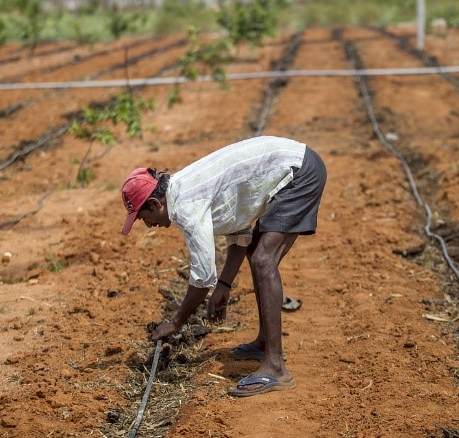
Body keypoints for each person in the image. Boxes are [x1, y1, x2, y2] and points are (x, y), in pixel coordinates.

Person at [120, 135, 327, 397]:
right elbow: (240, 231)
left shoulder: (186, 206)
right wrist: (226, 284)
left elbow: (203, 277)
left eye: (143, 217)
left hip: (298, 173)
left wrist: (176, 322)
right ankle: (265, 343)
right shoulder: (182, 188)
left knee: (264, 260)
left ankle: (276, 367)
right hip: (296, 164)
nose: (147, 225)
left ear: (154, 204)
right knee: (258, 253)